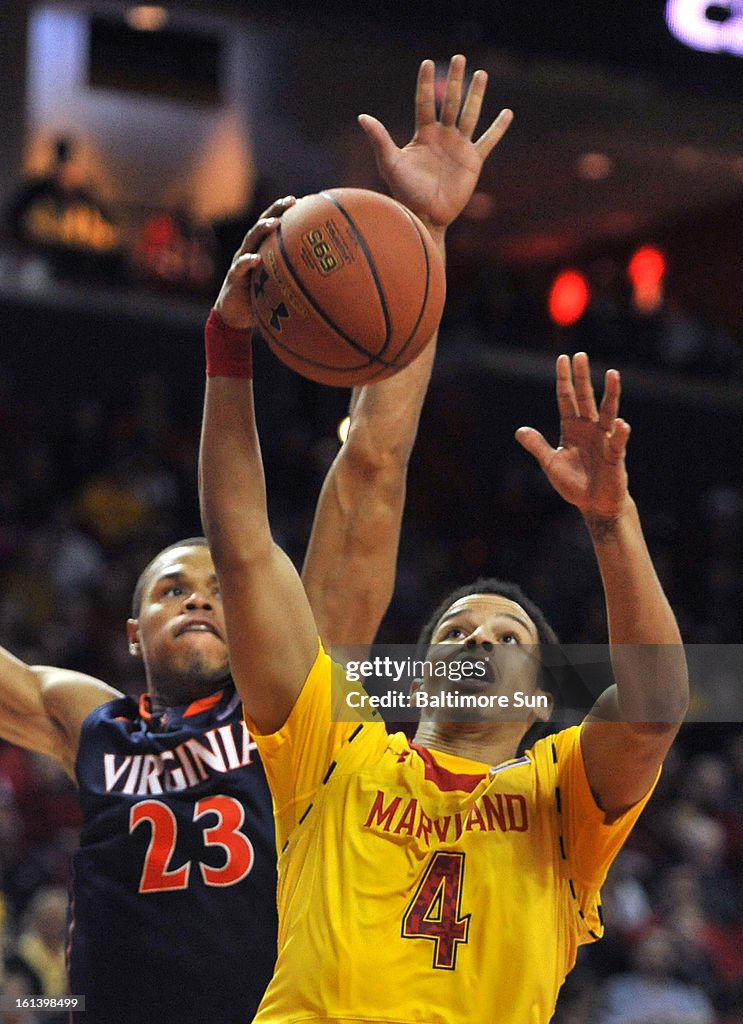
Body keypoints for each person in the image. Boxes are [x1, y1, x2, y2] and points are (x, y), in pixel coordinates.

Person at [0, 54, 512, 1024]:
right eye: (168, 588)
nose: (198, 594)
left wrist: (425, 235)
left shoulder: (299, 699)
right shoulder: (90, 720)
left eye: (214, 584)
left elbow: (370, 467)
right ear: (131, 633)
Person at [199, 67, 689, 1024]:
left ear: (542, 695)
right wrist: (234, 342)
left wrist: (609, 520)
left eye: (502, 635)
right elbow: (270, 534)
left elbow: (655, 707)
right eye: (457, 630)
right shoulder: (334, 750)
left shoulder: (560, 802)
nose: (472, 641)